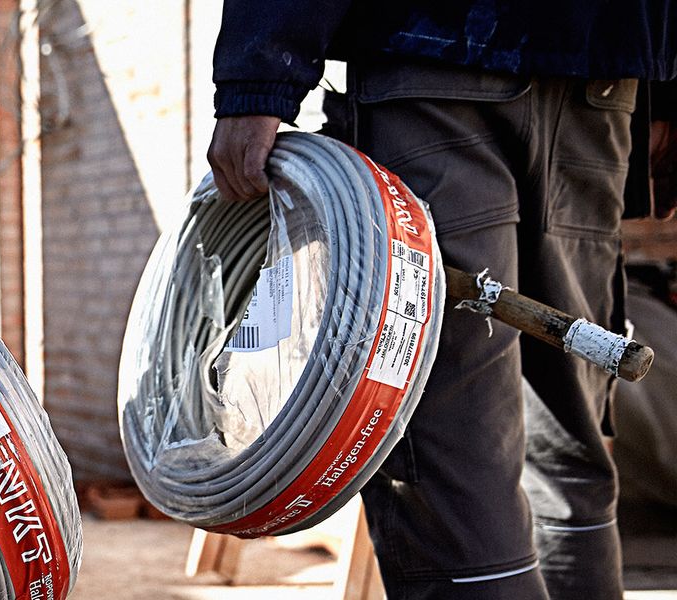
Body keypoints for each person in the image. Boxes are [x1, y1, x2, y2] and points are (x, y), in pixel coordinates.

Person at [208, 2, 674, 599]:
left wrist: (257, 79)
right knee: (565, 444)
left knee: (451, 456)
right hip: (604, 69)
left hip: (438, 50)